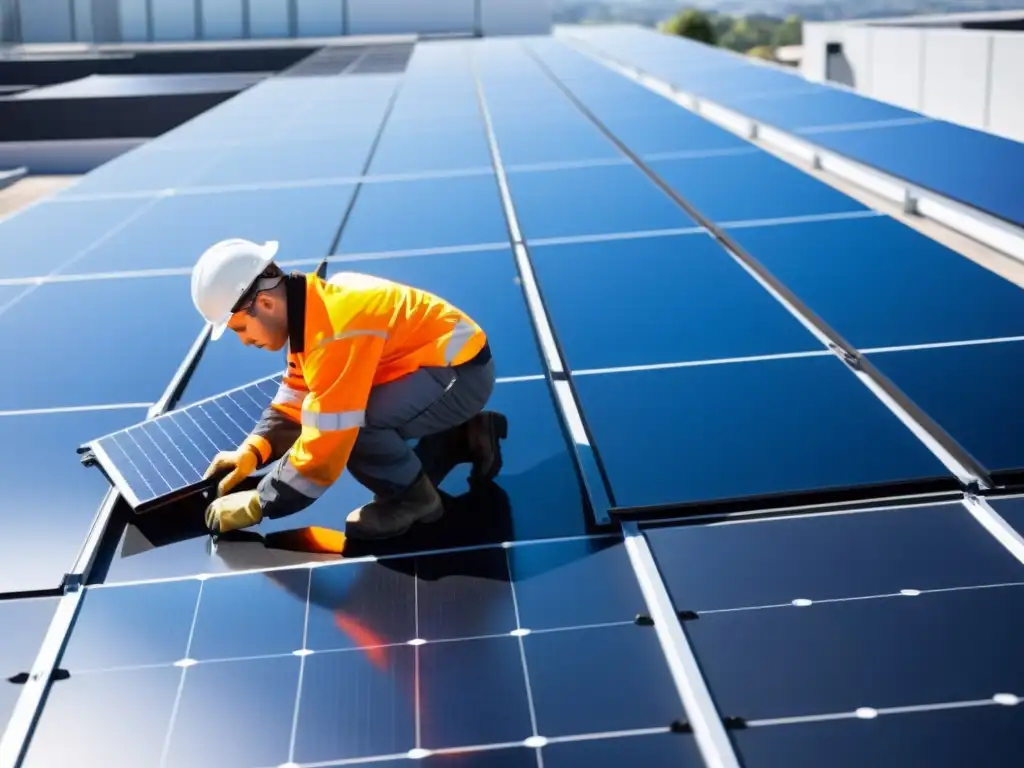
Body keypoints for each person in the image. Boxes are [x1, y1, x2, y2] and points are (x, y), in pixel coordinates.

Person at [189, 237, 507, 540]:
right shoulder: (314, 310)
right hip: (442, 368)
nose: (244, 341)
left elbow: (327, 443)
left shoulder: (335, 331)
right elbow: (297, 395)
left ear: (266, 303)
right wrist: (253, 451)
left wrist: (260, 502)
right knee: (348, 410)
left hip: (460, 378)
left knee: (354, 426)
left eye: (240, 328)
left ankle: (414, 500)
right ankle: (466, 435)